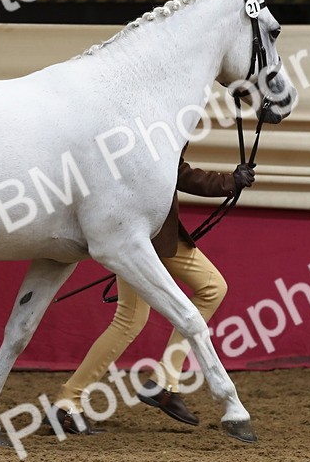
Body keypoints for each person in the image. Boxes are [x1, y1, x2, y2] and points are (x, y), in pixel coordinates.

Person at [55, 153, 255, 434]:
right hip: (146, 236)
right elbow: (177, 171)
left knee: (142, 313)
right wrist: (227, 183)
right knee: (147, 312)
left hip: (148, 232)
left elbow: (173, 169)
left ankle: (77, 400)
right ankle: (158, 382)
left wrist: (228, 182)